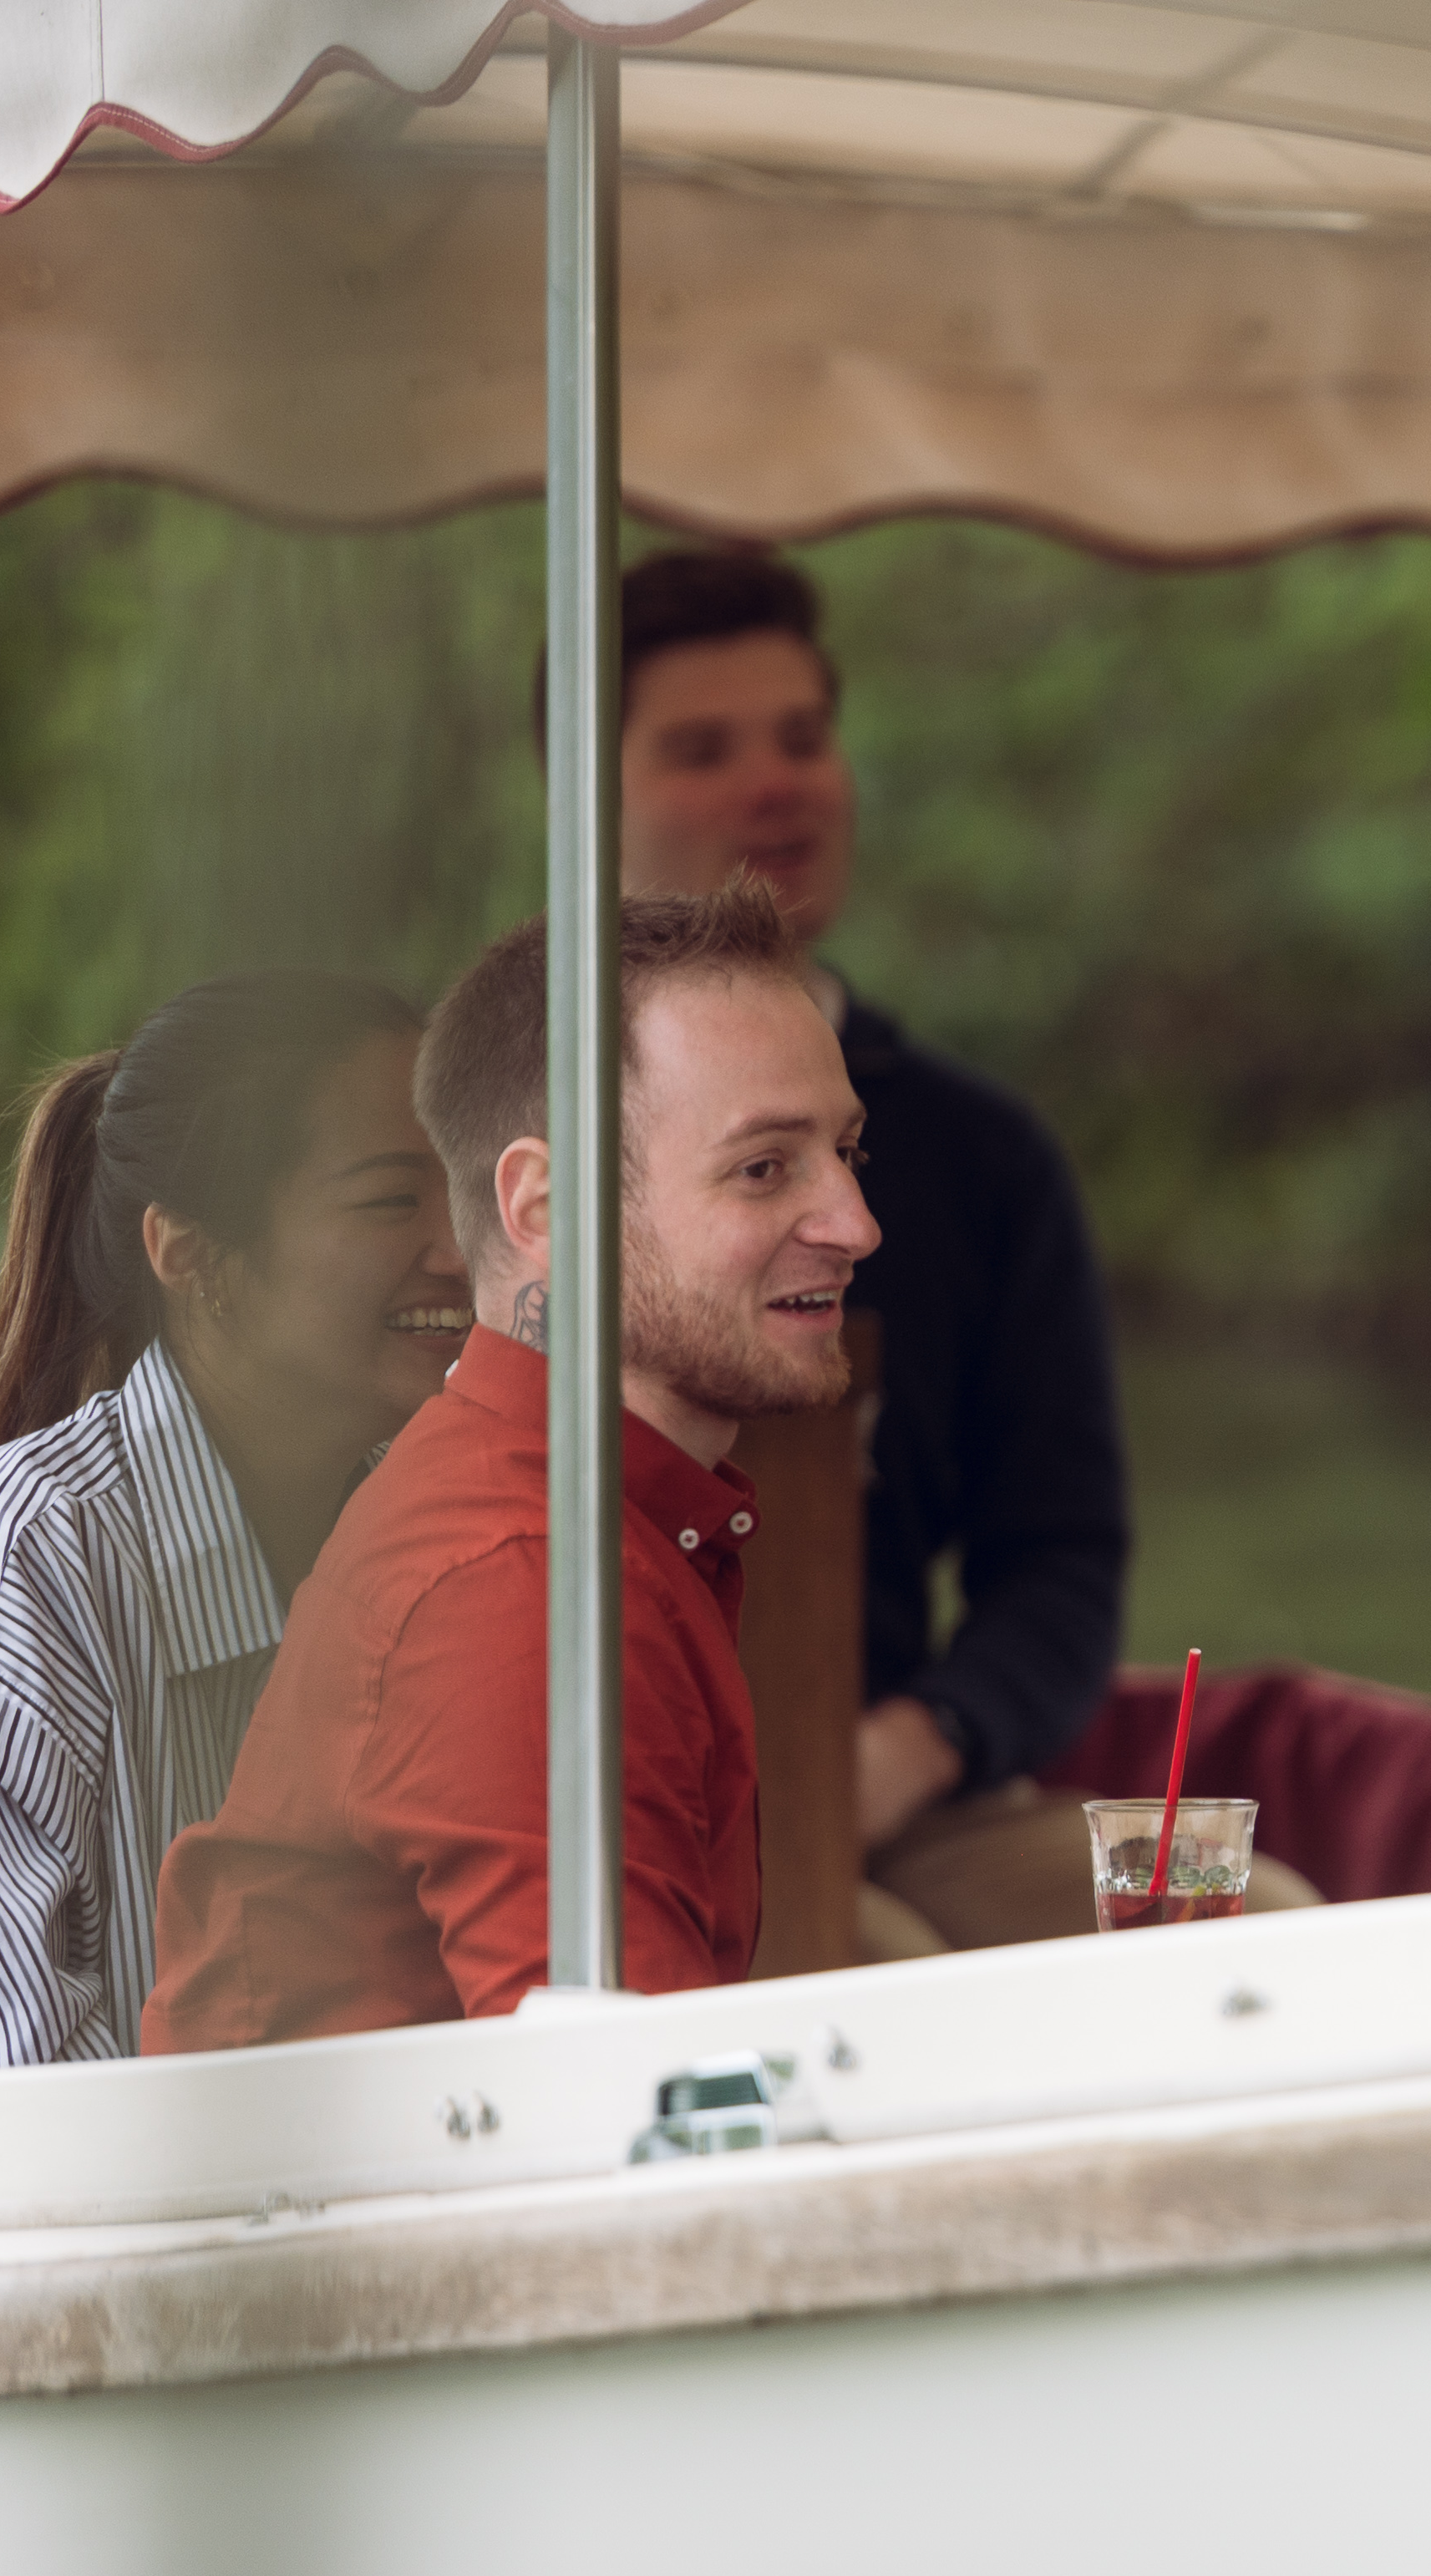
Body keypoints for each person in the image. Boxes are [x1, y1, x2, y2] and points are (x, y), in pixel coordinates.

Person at [146, 884, 875, 2046]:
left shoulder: (558, 1507)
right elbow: (629, 2119)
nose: (855, 1221)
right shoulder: (523, 1581)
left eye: (844, 1151)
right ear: (546, 1208)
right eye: (763, 1169)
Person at [599, 545, 1127, 1952]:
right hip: (590, 1802)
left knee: (1245, 1936)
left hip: (891, 1794)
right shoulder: (498, 1135)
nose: (773, 783)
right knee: (868, 1992)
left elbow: (1062, 1557)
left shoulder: (984, 1155)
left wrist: (922, 1737)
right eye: (704, 748)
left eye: (802, 738)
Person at [0, 977, 464, 2061]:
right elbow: (24, 2100)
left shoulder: (451, 1534)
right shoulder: (34, 1566)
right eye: (393, 1199)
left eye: (462, 1185)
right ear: (194, 1257)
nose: (460, 1245)